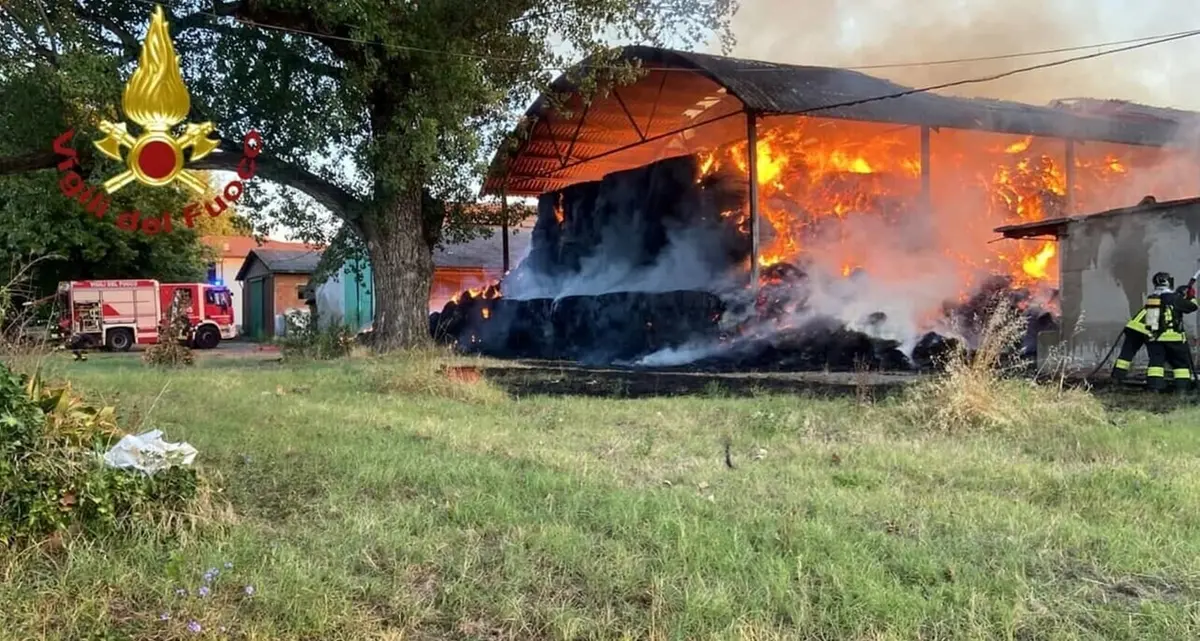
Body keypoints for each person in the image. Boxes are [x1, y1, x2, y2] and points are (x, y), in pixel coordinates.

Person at [1144, 271, 1198, 393]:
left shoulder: (1152, 298)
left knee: (1156, 365)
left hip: (1155, 339)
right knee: (1181, 366)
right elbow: (1192, 307)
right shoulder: (1175, 299)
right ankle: (1182, 390)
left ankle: (1154, 389)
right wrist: (1191, 296)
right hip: (1175, 339)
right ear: (1169, 282)